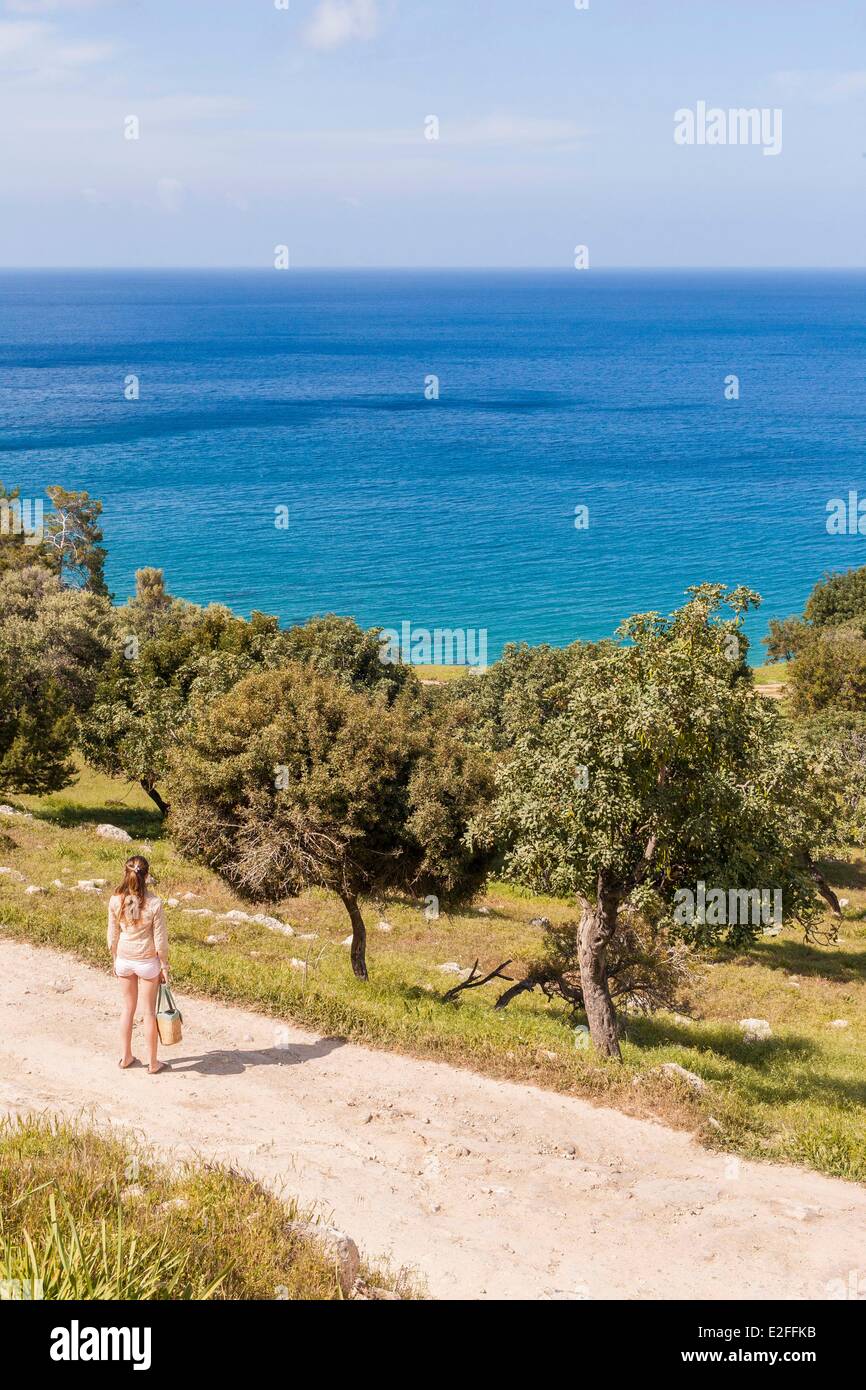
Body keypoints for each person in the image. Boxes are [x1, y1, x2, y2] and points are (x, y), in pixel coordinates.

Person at [107, 854, 169, 1074]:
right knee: (149, 1013)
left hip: (124, 958)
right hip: (147, 961)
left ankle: (125, 1057)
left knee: (127, 1009)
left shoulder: (116, 900)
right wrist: (164, 966)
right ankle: (153, 1063)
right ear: (147, 876)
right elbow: (160, 940)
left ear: (126, 873)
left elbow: (112, 935)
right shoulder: (154, 903)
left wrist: (115, 960)